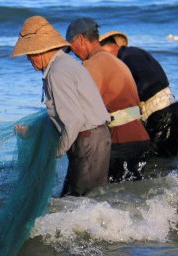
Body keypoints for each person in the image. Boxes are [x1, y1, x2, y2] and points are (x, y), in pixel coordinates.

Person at [12, 16, 111, 196]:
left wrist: (55, 152)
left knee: (82, 203)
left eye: (29, 54)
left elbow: (74, 120)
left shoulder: (57, 73)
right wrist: (32, 132)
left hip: (87, 141)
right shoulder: (65, 64)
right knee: (82, 200)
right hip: (93, 138)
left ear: (40, 50)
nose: (28, 59)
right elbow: (64, 115)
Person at [66, 18, 151, 182]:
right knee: (131, 197)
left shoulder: (92, 65)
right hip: (140, 138)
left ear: (81, 40)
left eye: (72, 47)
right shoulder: (115, 61)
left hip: (122, 141)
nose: (74, 54)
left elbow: (82, 107)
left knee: (108, 197)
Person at [99, 31, 178, 157]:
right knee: (166, 160)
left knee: (153, 161)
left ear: (111, 47)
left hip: (161, 115)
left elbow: (147, 82)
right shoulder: (135, 53)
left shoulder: (128, 57)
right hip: (170, 110)